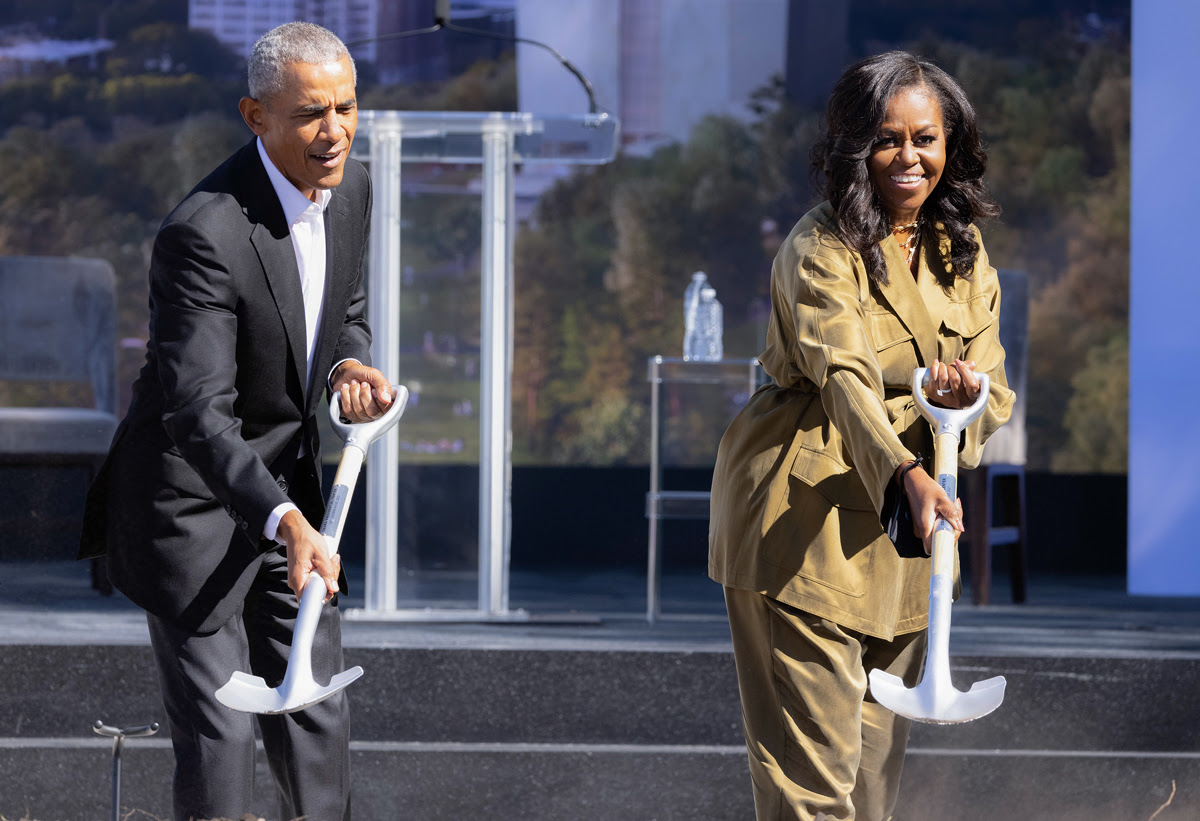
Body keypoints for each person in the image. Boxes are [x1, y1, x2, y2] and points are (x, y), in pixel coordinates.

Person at [78, 22, 392, 821]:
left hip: (287, 498)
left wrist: (347, 368)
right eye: (310, 114)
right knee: (221, 738)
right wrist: (285, 520)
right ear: (256, 117)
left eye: (347, 108)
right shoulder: (203, 234)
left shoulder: (352, 189)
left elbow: (339, 314)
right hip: (188, 506)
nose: (335, 132)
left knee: (315, 716)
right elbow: (195, 412)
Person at [708, 51, 1015, 821]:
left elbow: (995, 389)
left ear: (954, 144)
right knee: (813, 796)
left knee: (871, 799)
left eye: (927, 138)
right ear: (854, 146)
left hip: (907, 549)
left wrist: (967, 398)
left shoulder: (965, 255)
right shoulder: (821, 248)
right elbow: (843, 378)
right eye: (888, 139)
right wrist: (907, 475)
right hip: (802, 525)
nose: (909, 158)